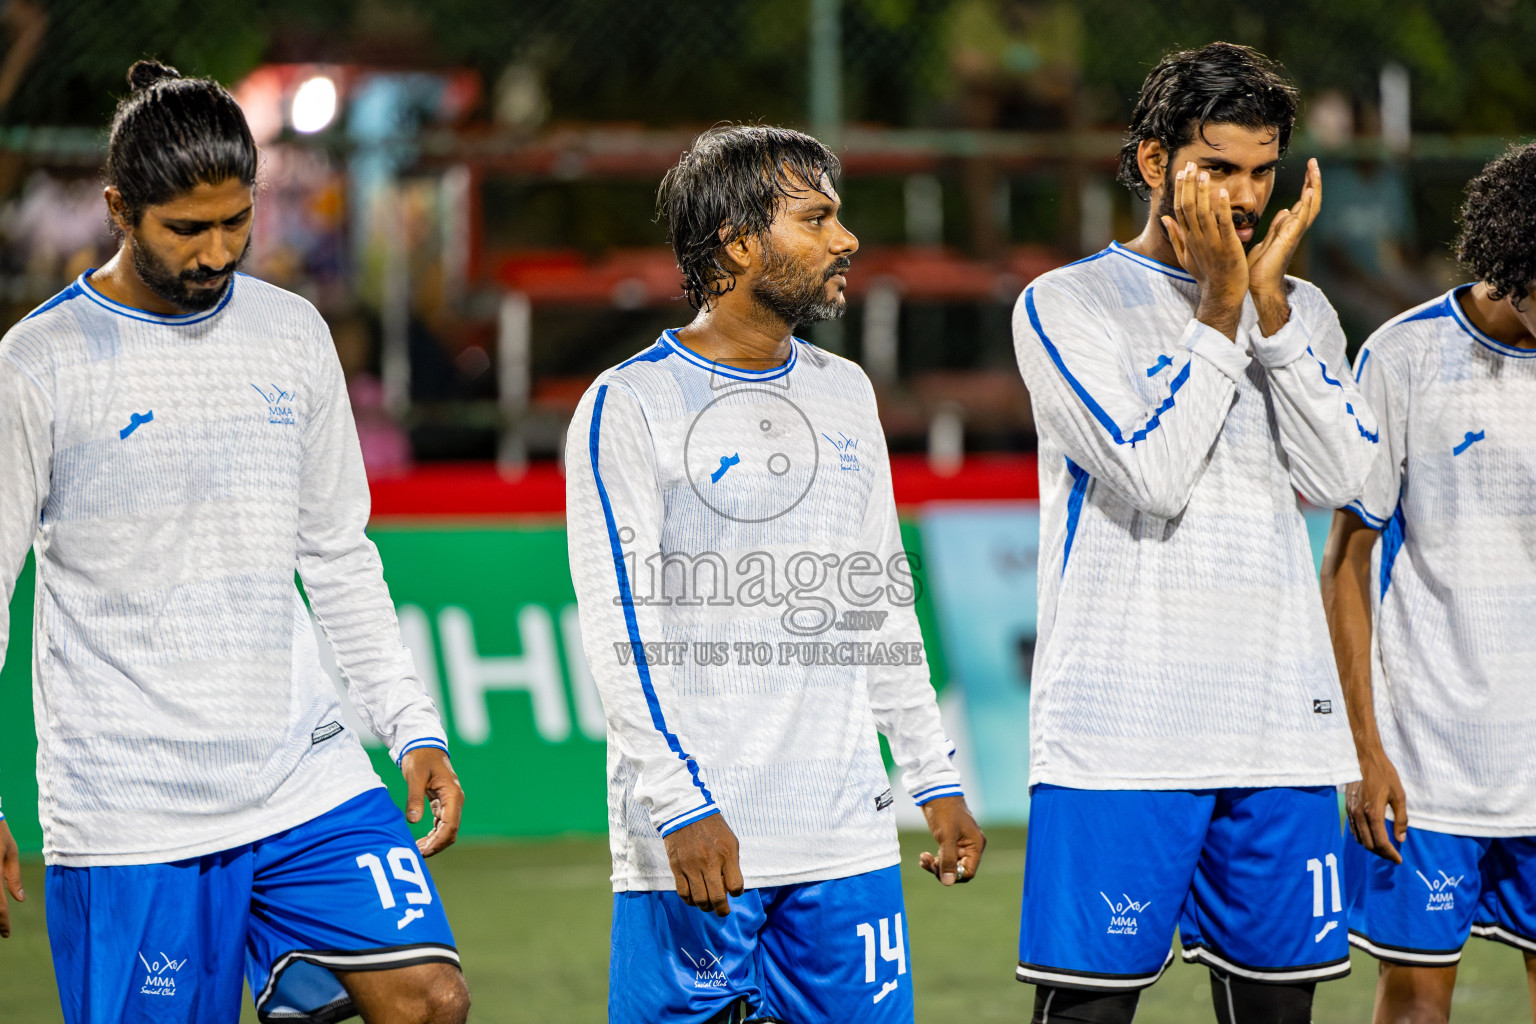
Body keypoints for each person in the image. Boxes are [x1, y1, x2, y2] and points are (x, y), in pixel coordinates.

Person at [0, 61, 469, 1024]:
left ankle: (292, 969)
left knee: (429, 1001)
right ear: (118, 209)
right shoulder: (37, 363)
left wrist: (410, 724)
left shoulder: (292, 333)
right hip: (132, 802)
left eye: (237, 221)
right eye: (187, 229)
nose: (219, 252)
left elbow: (339, 552)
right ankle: (290, 977)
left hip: (305, 771)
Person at [566, 124, 985, 1024]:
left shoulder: (845, 391)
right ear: (740, 242)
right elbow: (617, 627)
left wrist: (933, 776)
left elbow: (876, 598)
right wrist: (680, 804)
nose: (847, 240)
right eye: (817, 219)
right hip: (699, 840)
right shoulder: (627, 404)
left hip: (845, 840)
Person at [1010, 42, 1379, 1024]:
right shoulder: (1065, 304)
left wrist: (1265, 308)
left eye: (1262, 172)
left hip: (1278, 743)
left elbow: (1349, 480)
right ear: (1149, 163)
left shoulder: (1300, 311)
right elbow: (1155, 475)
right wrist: (1220, 308)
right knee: (1088, 1014)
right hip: (1121, 741)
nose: (1244, 197)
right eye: (1217, 167)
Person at [1322, 142, 1536, 1023]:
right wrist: (1363, 752)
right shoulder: (1403, 357)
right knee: (1413, 1007)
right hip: (1430, 758)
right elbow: (1344, 562)